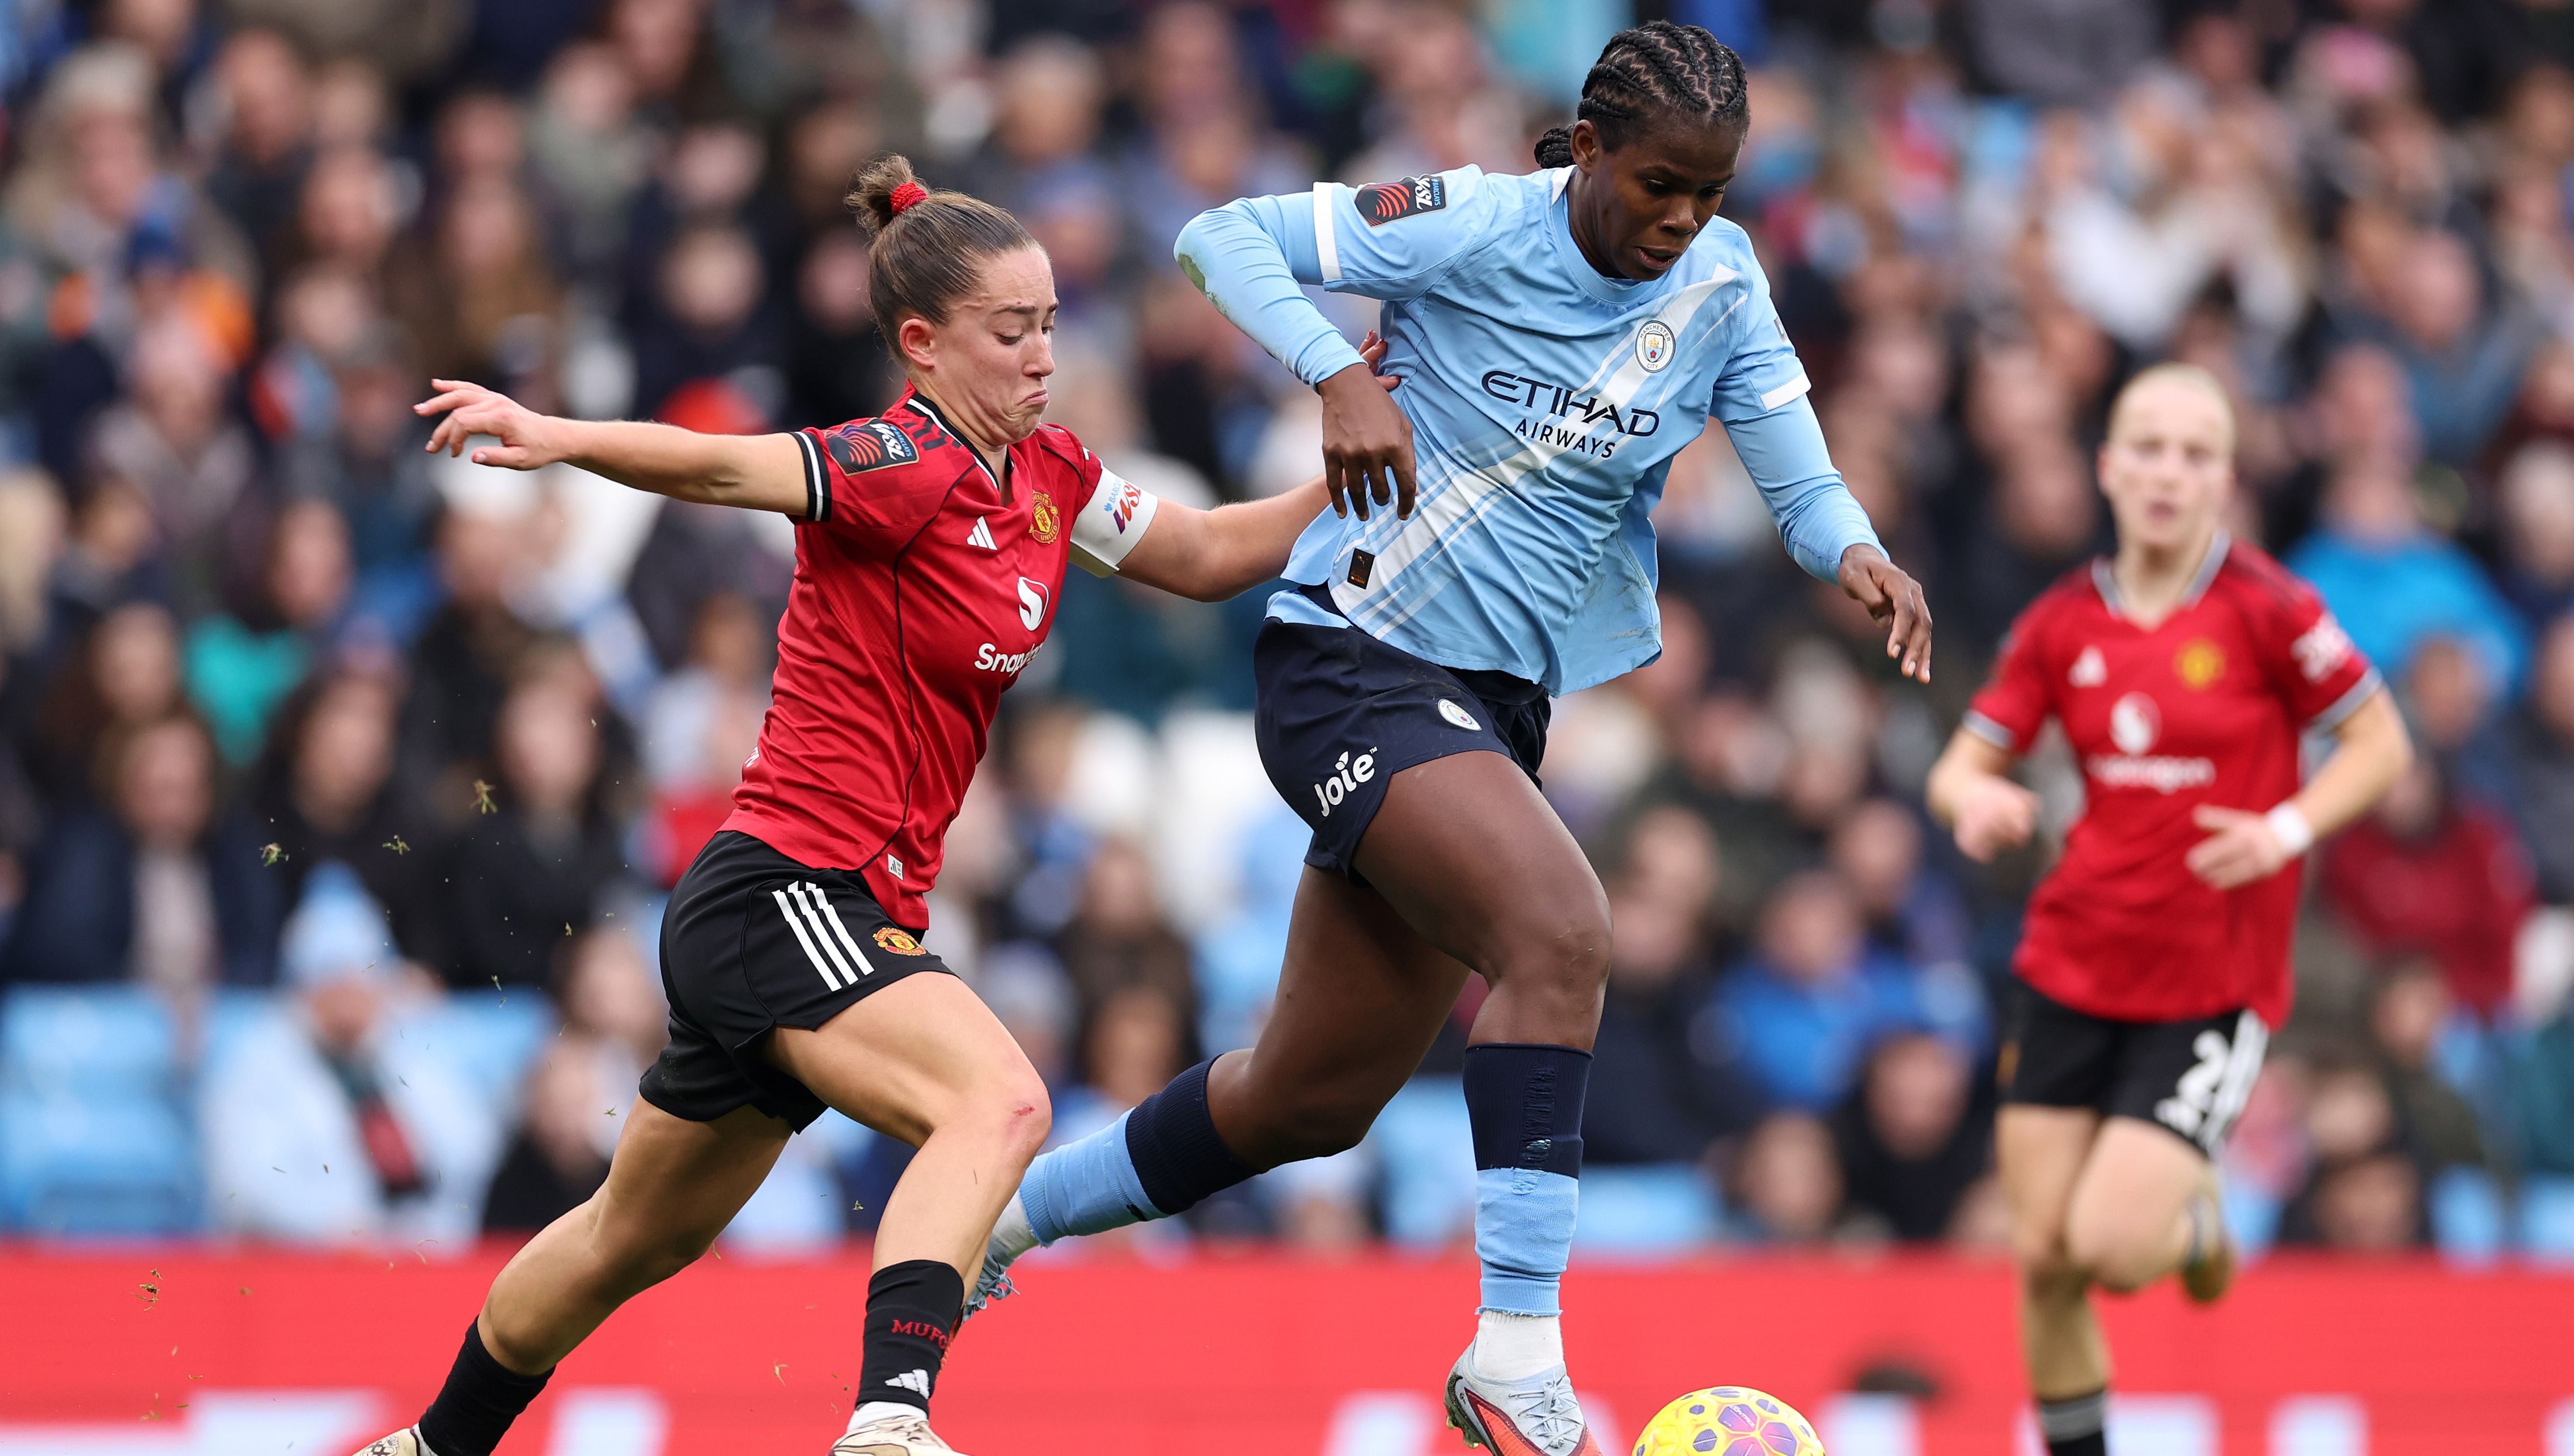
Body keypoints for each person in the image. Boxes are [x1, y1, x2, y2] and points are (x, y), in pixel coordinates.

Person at [974, 24, 1928, 1455]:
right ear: (1590, 148)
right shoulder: (1474, 222)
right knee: (1563, 931)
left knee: (1310, 1097)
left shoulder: (1724, 289)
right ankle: (1517, 1356)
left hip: (1494, 711)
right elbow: (1216, 237)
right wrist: (1332, 372)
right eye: (1662, 183)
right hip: (1354, 661)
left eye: (1712, 194)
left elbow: (1801, 483)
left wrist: (1858, 555)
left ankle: (1005, 1219)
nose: (1682, 219)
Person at [357, 156, 1350, 1456]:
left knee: (628, 1240)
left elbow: (1211, 552)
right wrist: (559, 441)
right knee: (999, 1102)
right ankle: (889, 1422)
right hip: (789, 887)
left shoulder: (1048, 473)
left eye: (1051, 323)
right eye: (1012, 332)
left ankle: (429, 1448)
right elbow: (724, 470)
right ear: (925, 345)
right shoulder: (899, 458)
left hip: (819, 912)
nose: (1044, 355)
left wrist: (1365, 468)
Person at [1921, 363, 2414, 1456]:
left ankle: (2192, 1216)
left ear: (2225, 479)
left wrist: (2281, 831)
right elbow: (1956, 768)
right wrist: (1976, 800)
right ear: (2106, 466)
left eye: (2193, 453)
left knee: (2107, 1248)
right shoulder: (2059, 623)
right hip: (2070, 961)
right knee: (2042, 1261)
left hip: (2209, 983)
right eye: (2145, 446)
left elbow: (2381, 743)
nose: (2165, 471)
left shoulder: (2269, 609)